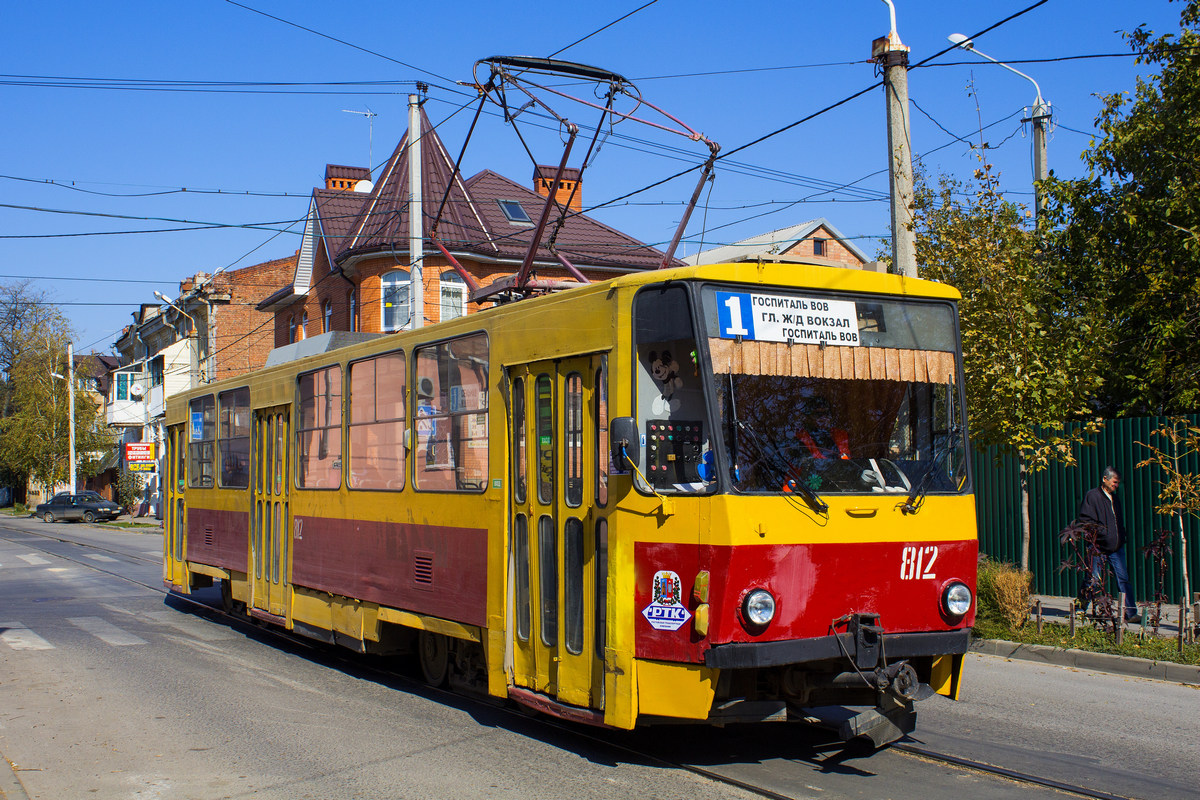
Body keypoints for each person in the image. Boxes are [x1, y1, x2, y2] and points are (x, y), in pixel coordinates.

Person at [1076, 466, 1141, 623]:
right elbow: (1085, 520)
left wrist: (1121, 536)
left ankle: (1130, 613)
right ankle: (1080, 609)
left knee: (1123, 579)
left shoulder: (1115, 499)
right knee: (1092, 578)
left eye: (1118, 483)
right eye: (1114, 482)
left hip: (1116, 548)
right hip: (1097, 547)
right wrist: (1101, 535)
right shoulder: (1092, 496)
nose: (1116, 485)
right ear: (1105, 479)